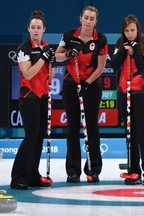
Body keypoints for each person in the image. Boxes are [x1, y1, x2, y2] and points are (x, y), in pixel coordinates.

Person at [55, 6, 108, 183]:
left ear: (96, 21)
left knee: (92, 126)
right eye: (86, 17)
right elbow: (57, 56)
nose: (88, 21)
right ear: (80, 18)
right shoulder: (69, 35)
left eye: (92, 18)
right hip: (71, 84)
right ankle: (73, 170)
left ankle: (94, 168)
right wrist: (69, 53)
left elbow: (100, 67)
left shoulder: (100, 39)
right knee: (72, 127)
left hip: (91, 85)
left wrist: (87, 82)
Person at [10, 10, 55, 190]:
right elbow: (28, 73)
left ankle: (33, 175)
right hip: (29, 97)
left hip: (42, 96)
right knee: (30, 137)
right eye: (33, 27)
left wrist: (51, 62)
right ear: (28, 29)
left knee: (38, 138)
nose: (36, 30)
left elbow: (49, 76)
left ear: (44, 29)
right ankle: (18, 177)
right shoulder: (24, 48)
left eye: (39, 27)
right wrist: (44, 59)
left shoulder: (45, 47)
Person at [111, 14, 144, 186]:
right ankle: (133, 170)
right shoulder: (119, 44)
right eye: (127, 31)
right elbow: (114, 65)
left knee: (143, 132)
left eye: (132, 30)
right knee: (130, 133)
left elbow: (142, 64)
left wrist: (135, 49)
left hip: (141, 92)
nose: (130, 34)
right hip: (124, 91)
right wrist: (124, 50)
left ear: (138, 30)